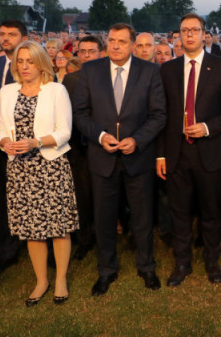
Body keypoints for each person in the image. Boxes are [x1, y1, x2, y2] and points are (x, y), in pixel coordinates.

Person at [73, 23, 166, 296]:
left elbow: (159, 114)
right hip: (102, 157)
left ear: (133, 45)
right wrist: (100, 136)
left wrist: (137, 139)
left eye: (121, 41)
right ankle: (106, 270)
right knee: (104, 217)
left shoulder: (149, 71)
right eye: (111, 40)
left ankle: (146, 266)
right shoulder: (91, 70)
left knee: (142, 217)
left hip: (138, 157)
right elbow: (80, 113)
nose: (115, 45)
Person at [156, 13, 221, 286]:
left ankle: (211, 260)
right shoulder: (168, 70)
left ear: (205, 35)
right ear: (179, 35)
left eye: (195, 30)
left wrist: (207, 127)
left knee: (211, 212)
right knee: (179, 212)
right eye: (185, 30)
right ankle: (182, 262)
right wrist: (161, 154)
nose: (190, 34)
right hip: (176, 152)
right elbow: (160, 115)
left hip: (210, 151)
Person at [0, 41, 78, 305]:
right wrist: (4, 143)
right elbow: (0, 129)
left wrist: (36, 142)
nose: (24, 66)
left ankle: (61, 279)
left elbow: (64, 131)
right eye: (20, 61)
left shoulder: (56, 90)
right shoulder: (7, 92)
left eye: (30, 61)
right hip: (20, 169)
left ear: (41, 63)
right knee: (31, 228)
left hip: (50, 166)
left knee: (58, 226)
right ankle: (41, 280)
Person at [0, 20, 28, 276]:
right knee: (0, 197)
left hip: (26, 145)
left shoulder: (33, 66)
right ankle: (6, 245)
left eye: (12, 34)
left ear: (23, 37)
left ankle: (33, 243)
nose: (5, 38)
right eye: (2, 34)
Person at [62, 35, 103, 261]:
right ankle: (85, 238)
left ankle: (107, 236)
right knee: (83, 196)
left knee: (104, 195)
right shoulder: (70, 80)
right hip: (79, 147)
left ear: (100, 53)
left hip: (105, 145)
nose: (86, 55)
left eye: (91, 51)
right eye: (83, 51)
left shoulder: (109, 77)